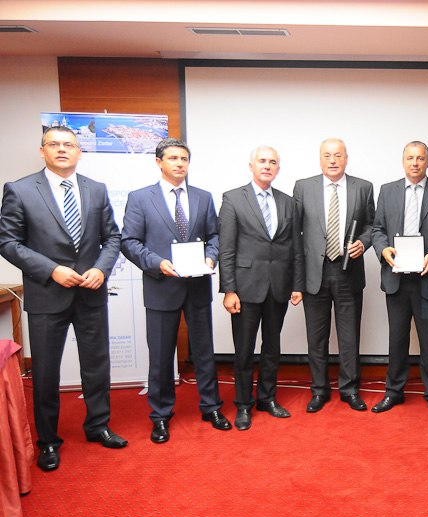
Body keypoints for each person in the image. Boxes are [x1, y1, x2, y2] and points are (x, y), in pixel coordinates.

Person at [0, 125, 126, 471]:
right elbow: (8, 242)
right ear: (42, 151)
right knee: (44, 372)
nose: (61, 149)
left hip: (90, 293)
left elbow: (112, 238)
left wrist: (101, 269)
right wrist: (51, 269)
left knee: (97, 365)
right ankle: (48, 441)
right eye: (53, 144)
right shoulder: (20, 189)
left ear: (79, 151)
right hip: (46, 294)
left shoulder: (95, 189)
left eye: (68, 144)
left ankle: (98, 425)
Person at [121, 138, 230, 444]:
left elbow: (214, 236)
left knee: (204, 352)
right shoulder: (140, 198)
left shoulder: (203, 197)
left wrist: (211, 257)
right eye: (173, 158)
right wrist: (156, 263)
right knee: (160, 356)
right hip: (161, 286)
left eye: (184, 158)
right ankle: (160, 415)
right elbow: (129, 242)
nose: (180, 163)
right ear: (159, 162)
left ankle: (211, 408)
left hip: (197, 287)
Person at [218, 146, 304, 430]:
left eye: (273, 162)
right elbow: (226, 248)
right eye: (262, 161)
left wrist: (297, 284)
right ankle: (244, 404)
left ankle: (267, 398)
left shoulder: (289, 202)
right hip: (244, 288)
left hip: (279, 286)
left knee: (272, 347)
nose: (267, 166)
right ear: (251, 166)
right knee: (244, 350)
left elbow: (296, 247)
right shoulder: (232, 199)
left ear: (278, 169)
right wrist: (228, 289)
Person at [371, 141, 428, 420]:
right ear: (403, 161)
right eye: (410, 158)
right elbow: (377, 229)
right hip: (396, 278)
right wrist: (383, 250)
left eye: (420, 158)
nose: (415, 163)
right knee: (397, 340)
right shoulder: (387, 191)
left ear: (427, 162)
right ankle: (394, 391)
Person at [293, 139, 375, 412]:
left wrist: (363, 242)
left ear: (346, 158)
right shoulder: (303, 187)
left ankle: (350, 390)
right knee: (316, 339)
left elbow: (372, 225)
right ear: (320, 159)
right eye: (327, 155)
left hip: (348, 270)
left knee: (349, 337)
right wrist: (296, 279)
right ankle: (319, 390)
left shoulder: (363, 187)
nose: (332, 160)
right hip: (314, 272)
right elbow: (295, 232)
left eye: (338, 155)